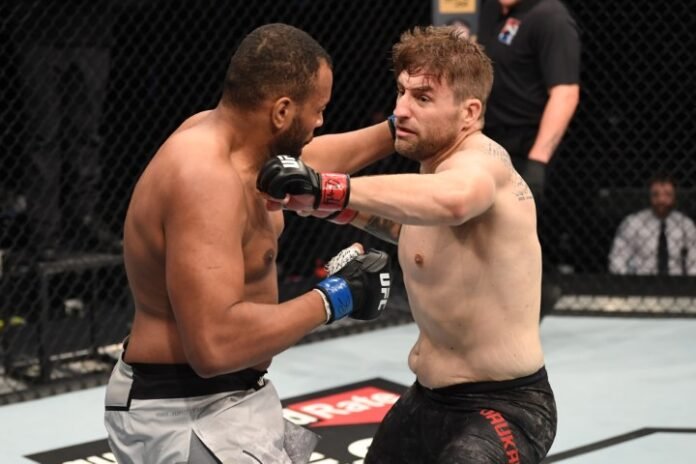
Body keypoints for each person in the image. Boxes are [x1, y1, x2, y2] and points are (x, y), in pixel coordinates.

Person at [258, 25, 557, 463]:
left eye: (423, 98)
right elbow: (415, 230)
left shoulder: (484, 163)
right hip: (427, 398)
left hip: (504, 409)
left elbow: (455, 200)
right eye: (400, 92)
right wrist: (331, 206)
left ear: (470, 112)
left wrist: (331, 188)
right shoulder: (431, 170)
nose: (401, 110)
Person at [103, 23, 395, 464]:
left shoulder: (233, 145)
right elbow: (214, 345)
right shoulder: (203, 176)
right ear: (281, 111)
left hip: (225, 398)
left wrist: (396, 130)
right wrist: (336, 296)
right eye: (317, 110)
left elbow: (310, 161)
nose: (320, 121)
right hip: (183, 409)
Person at [10, 0, 122, 259]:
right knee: (43, 137)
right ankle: (44, 233)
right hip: (37, 31)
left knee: (86, 137)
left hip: (91, 33)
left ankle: (84, 219)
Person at [477, 0, 580, 199]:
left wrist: (537, 161)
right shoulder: (492, 8)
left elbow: (565, 93)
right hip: (489, 142)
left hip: (524, 149)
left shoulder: (551, 17)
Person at [609, 174, 696, 275]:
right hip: (641, 280)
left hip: (677, 281)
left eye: (667, 195)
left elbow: (694, 260)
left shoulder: (685, 224)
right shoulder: (633, 222)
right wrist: (626, 282)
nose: (661, 200)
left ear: (675, 197)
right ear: (649, 196)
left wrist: (690, 283)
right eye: (656, 194)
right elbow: (617, 259)